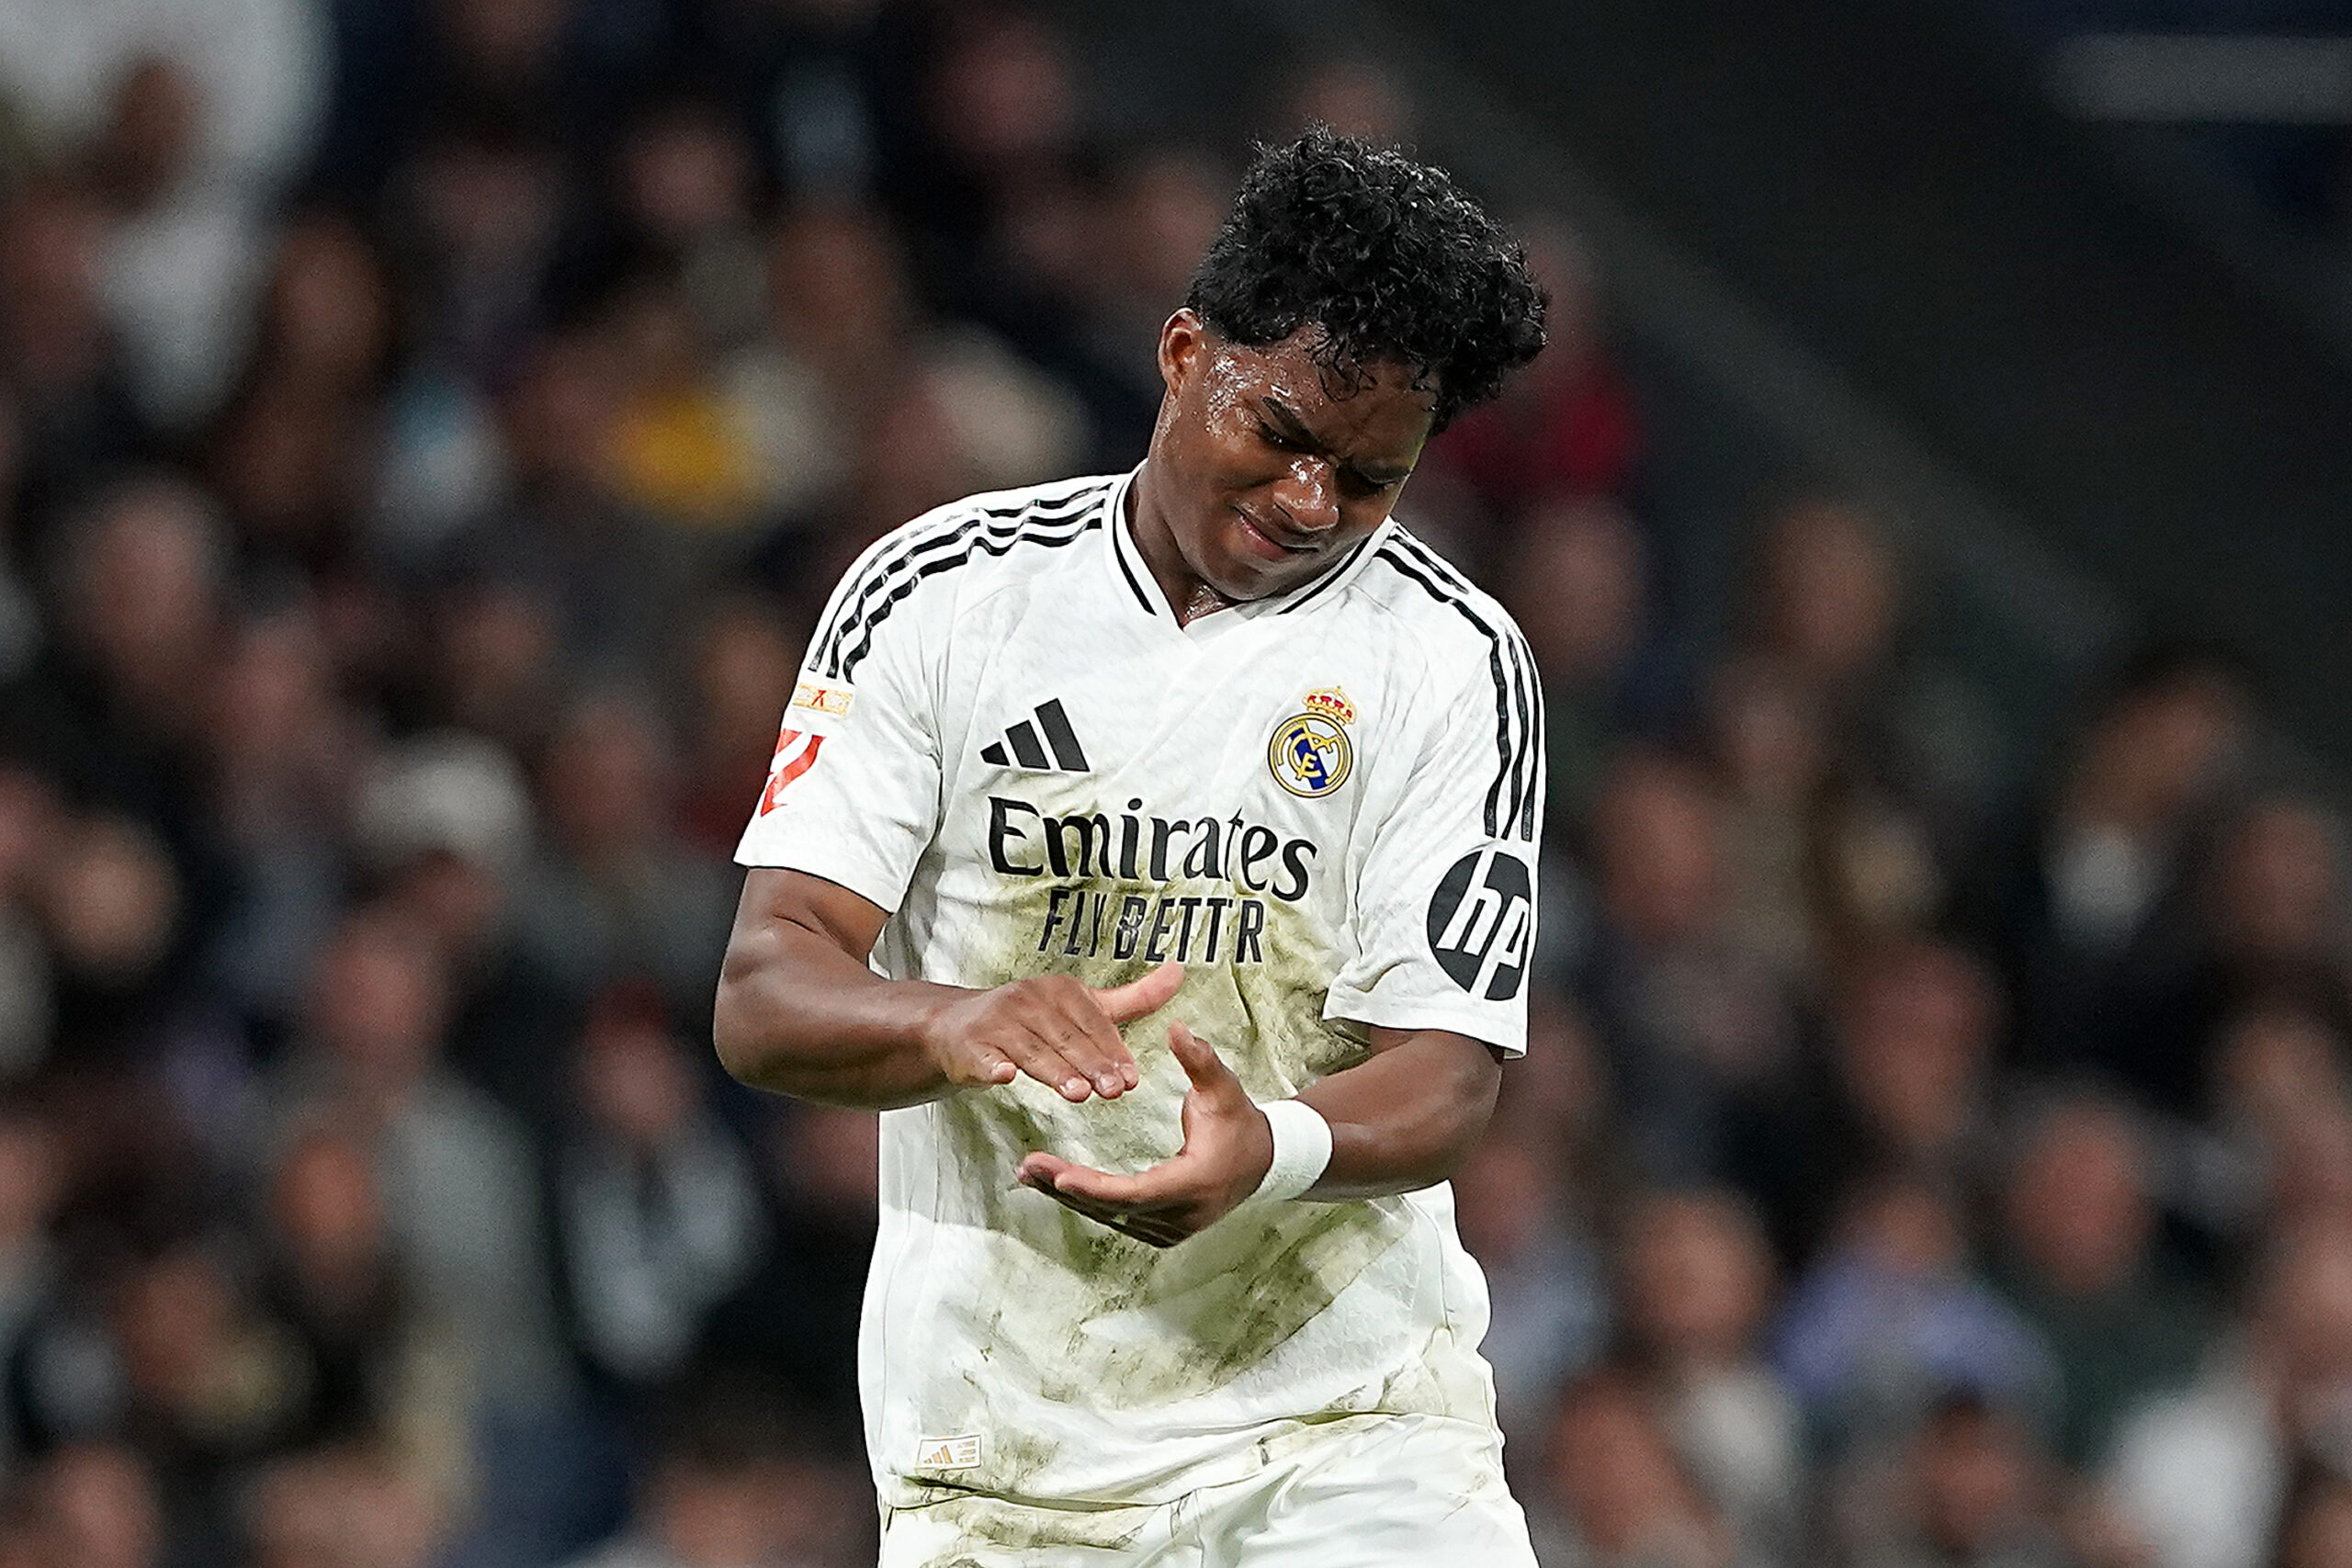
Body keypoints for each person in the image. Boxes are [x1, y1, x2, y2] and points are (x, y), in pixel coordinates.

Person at [713, 128, 1548, 1564]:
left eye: (1367, 480)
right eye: (1281, 435)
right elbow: (764, 990)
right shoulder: (939, 602)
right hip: (1009, 1457)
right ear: (1181, 354)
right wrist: (950, 1020)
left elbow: (1450, 1075)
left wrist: (1273, 1146)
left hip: (1349, 1437)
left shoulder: (1449, 659)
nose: (1311, 504)